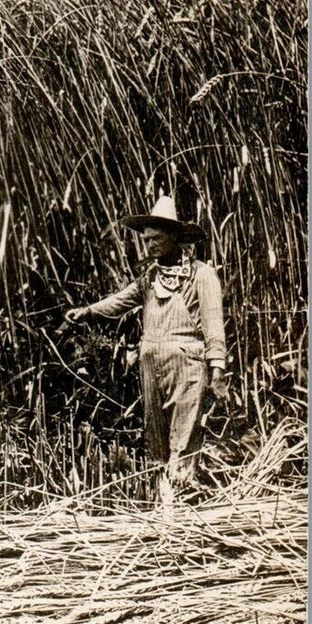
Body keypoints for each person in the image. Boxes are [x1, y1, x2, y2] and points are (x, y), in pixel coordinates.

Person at [64, 195, 228, 489]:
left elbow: (214, 327)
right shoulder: (149, 279)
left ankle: (181, 503)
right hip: (151, 365)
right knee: (156, 440)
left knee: (185, 437)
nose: (149, 244)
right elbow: (119, 302)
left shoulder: (202, 276)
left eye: (156, 238)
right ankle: (163, 503)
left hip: (187, 366)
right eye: (146, 239)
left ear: (175, 237)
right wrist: (87, 311)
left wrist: (217, 371)